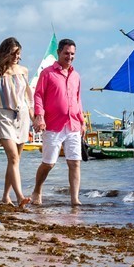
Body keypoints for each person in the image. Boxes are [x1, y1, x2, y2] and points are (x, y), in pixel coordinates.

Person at [31, 38, 85, 207]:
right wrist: (39, 116)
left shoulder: (76, 76)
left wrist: (82, 121)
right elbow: (38, 95)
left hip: (74, 124)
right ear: (59, 53)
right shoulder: (47, 73)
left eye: (72, 54)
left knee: (74, 162)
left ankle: (74, 199)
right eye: (66, 53)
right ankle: (37, 190)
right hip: (53, 124)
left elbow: (78, 99)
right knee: (49, 163)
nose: (69, 57)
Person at [0, 37, 34, 208]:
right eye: (13, 53)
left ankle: (5, 196)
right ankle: (20, 197)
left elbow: (28, 97)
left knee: (15, 160)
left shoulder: (23, 71)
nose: (16, 57)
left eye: (18, 54)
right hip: (4, 116)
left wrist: (35, 117)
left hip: (23, 117)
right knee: (13, 157)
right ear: (5, 53)